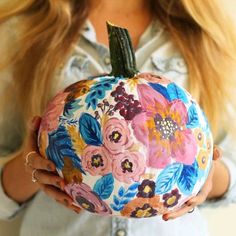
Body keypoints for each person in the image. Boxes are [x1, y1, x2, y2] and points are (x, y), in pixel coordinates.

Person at [0, 0, 236, 235]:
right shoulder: (24, 29)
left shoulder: (203, 30)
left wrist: (206, 174)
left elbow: (231, 162)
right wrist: (31, 166)